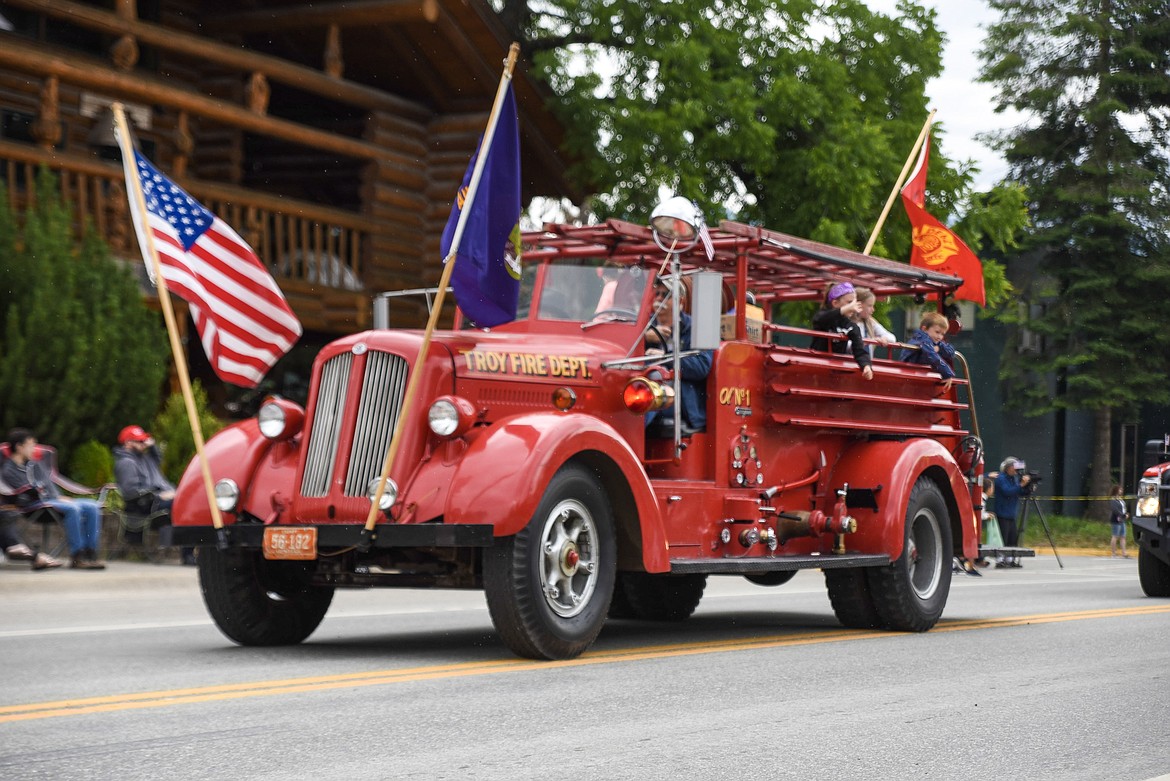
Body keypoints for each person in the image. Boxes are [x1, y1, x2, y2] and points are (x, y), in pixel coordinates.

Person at [1, 428, 105, 570]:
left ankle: (90, 554)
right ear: (19, 447)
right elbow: (24, 492)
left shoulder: (34, 464)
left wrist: (58, 497)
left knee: (92, 506)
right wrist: (50, 497)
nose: (34, 448)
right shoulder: (8, 469)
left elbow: (49, 484)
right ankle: (77, 557)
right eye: (31, 444)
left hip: (52, 501)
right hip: (34, 505)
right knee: (73, 508)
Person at [114, 425, 195, 566]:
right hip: (147, 506)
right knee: (183, 509)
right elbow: (130, 492)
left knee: (193, 506)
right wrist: (159, 495)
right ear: (128, 443)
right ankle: (187, 555)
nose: (143, 443)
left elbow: (157, 457)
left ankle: (190, 554)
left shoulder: (146, 458)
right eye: (139, 441)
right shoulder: (126, 463)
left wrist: (152, 446)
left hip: (163, 499)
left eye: (144, 440)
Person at [644, 278, 713, 433]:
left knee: (655, 379)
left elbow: (702, 366)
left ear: (680, 301)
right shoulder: (644, 326)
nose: (659, 299)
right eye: (657, 294)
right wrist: (645, 338)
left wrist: (665, 357)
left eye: (666, 295)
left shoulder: (698, 328)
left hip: (682, 401)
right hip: (646, 393)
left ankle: (634, 433)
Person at [810, 281, 873, 380]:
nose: (853, 306)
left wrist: (866, 366)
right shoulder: (823, 316)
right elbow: (820, 319)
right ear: (835, 303)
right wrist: (845, 309)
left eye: (854, 302)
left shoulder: (851, 326)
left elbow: (859, 350)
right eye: (849, 303)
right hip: (817, 367)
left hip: (835, 371)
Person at [898, 311, 956, 388]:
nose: (940, 337)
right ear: (924, 329)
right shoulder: (923, 340)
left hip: (917, 374)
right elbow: (932, 356)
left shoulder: (934, 340)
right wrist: (947, 374)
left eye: (942, 334)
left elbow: (951, 351)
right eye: (937, 332)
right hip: (909, 373)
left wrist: (940, 348)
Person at [993, 456, 1032, 568]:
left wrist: (1027, 489)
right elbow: (1008, 491)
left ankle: (1010, 559)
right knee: (1003, 538)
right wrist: (1021, 485)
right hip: (1002, 512)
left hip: (1011, 513)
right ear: (1008, 468)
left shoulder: (1014, 479)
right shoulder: (1001, 478)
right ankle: (1000, 560)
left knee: (1012, 538)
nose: (1016, 471)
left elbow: (1018, 492)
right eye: (1014, 468)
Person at [853, 287, 897, 357]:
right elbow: (846, 345)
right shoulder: (846, 322)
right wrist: (867, 341)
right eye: (870, 306)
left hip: (866, 364)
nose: (873, 310)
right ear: (859, 305)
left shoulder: (869, 322)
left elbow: (892, 337)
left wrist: (883, 339)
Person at [1108, 485, 1131, 559]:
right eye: (1120, 490)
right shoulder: (1113, 499)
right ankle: (1114, 553)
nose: (1121, 491)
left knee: (1123, 536)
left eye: (1121, 489)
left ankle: (1124, 553)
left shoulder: (1120, 499)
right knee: (1115, 535)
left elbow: (1123, 508)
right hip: (1116, 519)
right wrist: (1122, 515)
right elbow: (1115, 510)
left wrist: (1126, 514)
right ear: (1116, 490)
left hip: (1122, 520)